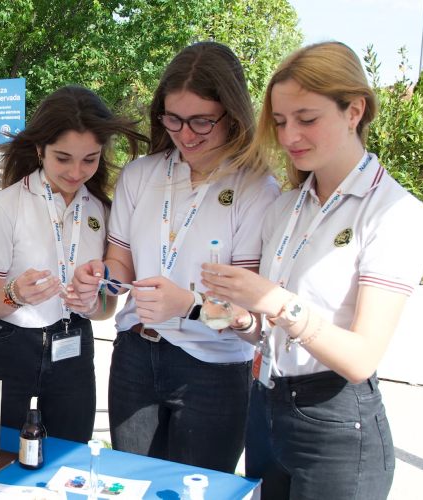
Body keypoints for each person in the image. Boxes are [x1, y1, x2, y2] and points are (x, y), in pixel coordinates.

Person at [201, 41, 423, 499]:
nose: (290, 137)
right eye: (282, 122)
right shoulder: (287, 206)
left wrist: (274, 300)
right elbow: (272, 331)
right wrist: (242, 317)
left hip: (336, 424)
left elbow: (360, 359)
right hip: (267, 408)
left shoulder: (394, 214)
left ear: (354, 111)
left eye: (307, 119)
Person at [70, 42, 280, 470]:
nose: (185, 135)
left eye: (202, 121)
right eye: (174, 119)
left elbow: (248, 320)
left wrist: (189, 307)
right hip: (136, 355)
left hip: (214, 368)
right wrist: (101, 277)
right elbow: (122, 266)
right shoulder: (141, 175)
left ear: (232, 113)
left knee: (198, 489)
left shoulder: (256, 189)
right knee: (131, 484)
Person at [0, 86, 145, 442]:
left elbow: (106, 308)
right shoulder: (5, 207)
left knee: (71, 458)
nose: (76, 171)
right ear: (40, 149)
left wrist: (92, 302)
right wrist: (14, 294)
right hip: (10, 346)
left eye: (90, 159)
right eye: (62, 158)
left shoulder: (101, 210)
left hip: (74, 345)